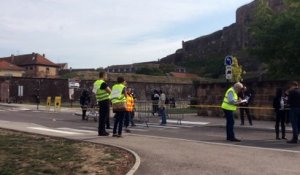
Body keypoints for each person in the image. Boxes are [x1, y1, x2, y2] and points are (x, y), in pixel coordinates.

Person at [93, 71, 111, 136]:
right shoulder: (103, 83)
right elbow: (110, 91)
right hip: (105, 100)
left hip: (100, 101)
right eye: (106, 76)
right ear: (103, 75)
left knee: (101, 117)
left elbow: (94, 92)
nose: (106, 77)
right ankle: (102, 132)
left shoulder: (95, 83)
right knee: (104, 117)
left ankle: (100, 131)